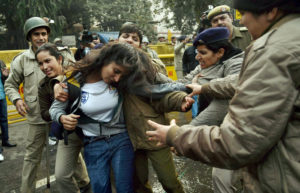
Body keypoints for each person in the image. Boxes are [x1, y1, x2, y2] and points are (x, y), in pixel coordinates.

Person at [146, 0, 300, 192]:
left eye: (243, 14)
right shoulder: (286, 40)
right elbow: (232, 82)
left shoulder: (272, 50)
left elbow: (239, 140)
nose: (241, 21)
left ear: (271, 11)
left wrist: (177, 135)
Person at [53, 23, 190, 193]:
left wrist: (183, 95)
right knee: (135, 185)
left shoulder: (146, 66)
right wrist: (57, 83)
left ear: (140, 44)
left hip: (151, 133)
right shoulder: (100, 68)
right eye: (126, 36)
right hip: (129, 138)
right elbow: (71, 73)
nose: (130, 40)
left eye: (135, 38)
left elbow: (163, 90)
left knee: (168, 181)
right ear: (117, 41)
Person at [50, 43, 161, 193]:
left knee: (124, 188)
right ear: (106, 60)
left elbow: (157, 84)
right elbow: (55, 109)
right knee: (100, 188)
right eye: (115, 71)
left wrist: (185, 88)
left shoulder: (122, 81)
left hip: (121, 140)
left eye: (121, 74)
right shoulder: (74, 81)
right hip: (93, 143)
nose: (116, 78)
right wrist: (62, 117)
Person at [4, 17, 90, 193]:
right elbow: (10, 84)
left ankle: (85, 184)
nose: (41, 37)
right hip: (37, 115)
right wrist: (17, 100)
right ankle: (26, 190)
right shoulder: (21, 60)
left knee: (72, 152)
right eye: (36, 34)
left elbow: (72, 74)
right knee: (31, 156)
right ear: (29, 37)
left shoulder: (62, 53)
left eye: (44, 33)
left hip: (64, 112)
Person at [36, 43, 92, 193]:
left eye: (48, 61)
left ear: (59, 59)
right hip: (69, 133)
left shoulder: (76, 73)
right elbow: (44, 113)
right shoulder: (43, 86)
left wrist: (59, 82)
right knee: (61, 176)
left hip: (92, 130)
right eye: (40, 63)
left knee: (102, 173)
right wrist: (61, 116)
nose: (44, 66)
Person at [0, 60, 16, 148]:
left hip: (1, 96)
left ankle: (5, 140)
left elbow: (6, 80)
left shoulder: (1, 63)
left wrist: (6, 75)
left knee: (4, 120)